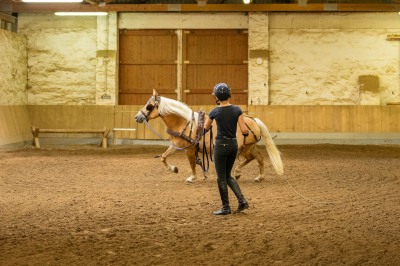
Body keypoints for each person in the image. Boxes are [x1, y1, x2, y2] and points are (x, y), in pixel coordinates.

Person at [204, 83, 250, 215]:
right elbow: (244, 130)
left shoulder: (214, 112)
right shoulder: (237, 110)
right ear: (228, 95)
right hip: (233, 145)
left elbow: (205, 129)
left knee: (221, 178)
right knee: (228, 175)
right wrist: (246, 135)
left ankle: (225, 207)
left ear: (217, 97)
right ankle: (242, 201)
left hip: (221, 145)